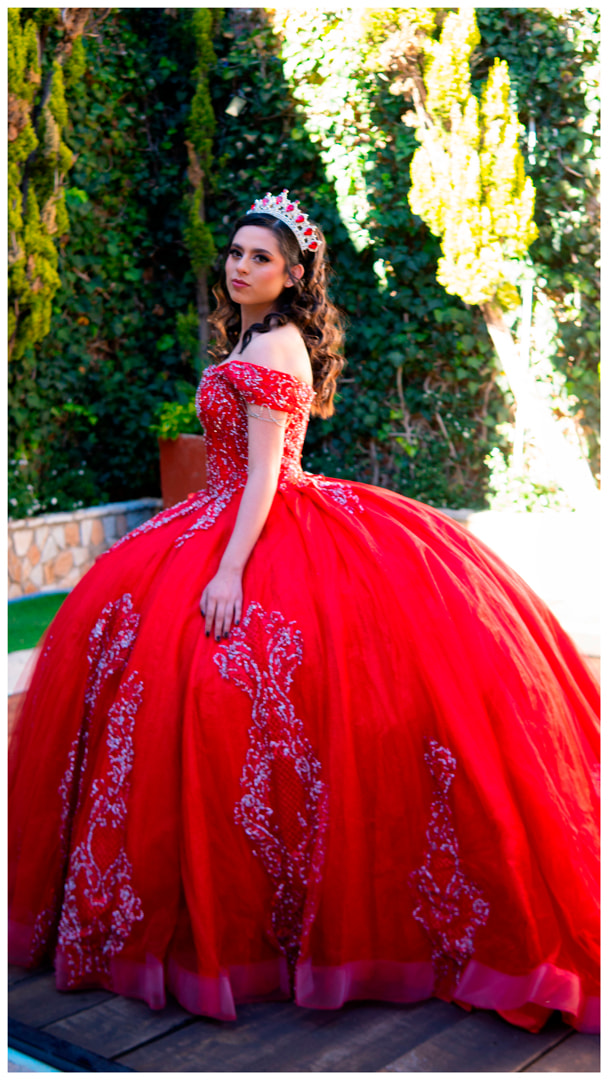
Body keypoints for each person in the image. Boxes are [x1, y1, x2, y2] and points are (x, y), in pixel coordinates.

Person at [8, 189, 599, 1035]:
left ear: (293, 276)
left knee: (241, 693)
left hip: (255, 526)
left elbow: (261, 478)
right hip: (216, 518)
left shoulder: (277, 343)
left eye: (260, 257)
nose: (240, 265)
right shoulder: (250, 335)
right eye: (237, 252)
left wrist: (231, 573)